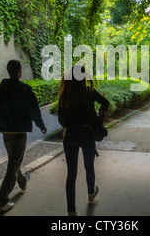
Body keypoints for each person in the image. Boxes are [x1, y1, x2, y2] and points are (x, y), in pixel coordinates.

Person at [0, 59, 47, 212]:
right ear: (19, 71)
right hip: (19, 131)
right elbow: (34, 111)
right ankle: (2, 200)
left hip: (5, 132)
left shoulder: (0, 89)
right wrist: (41, 126)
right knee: (13, 164)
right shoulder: (24, 89)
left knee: (14, 160)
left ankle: (22, 181)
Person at [58, 65, 110, 216]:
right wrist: (101, 114)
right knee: (89, 166)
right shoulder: (89, 92)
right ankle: (90, 193)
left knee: (71, 173)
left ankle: (71, 211)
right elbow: (105, 102)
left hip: (70, 136)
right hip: (87, 134)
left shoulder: (65, 94)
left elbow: (62, 119)